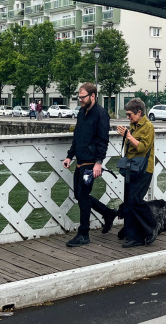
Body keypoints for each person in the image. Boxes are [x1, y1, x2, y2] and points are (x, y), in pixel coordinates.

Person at [62, 82, 116, 247]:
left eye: (83, 97)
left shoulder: (101, 114)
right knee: (79, 195)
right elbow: (77, 136)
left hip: (91, 163)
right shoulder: (81, 112)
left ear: (93, 96)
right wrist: (70, 156)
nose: (80, 100)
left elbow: (103, 141)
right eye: (79, 97)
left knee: (83, 196)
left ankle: (83, 233)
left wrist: (98, 163)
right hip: (80, 162)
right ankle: (108, 213)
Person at [116, 98, 160, 248]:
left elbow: (142, 148)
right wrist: (127, 135)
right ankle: (132, 234)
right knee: (129, 201)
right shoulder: (133, 126)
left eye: (130, 114)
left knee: (135, 199)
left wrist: (128, 136)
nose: (128, 117)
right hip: (131, 168)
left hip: (143, 169)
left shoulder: (148, 127)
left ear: (139, 112)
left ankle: (152, 225)